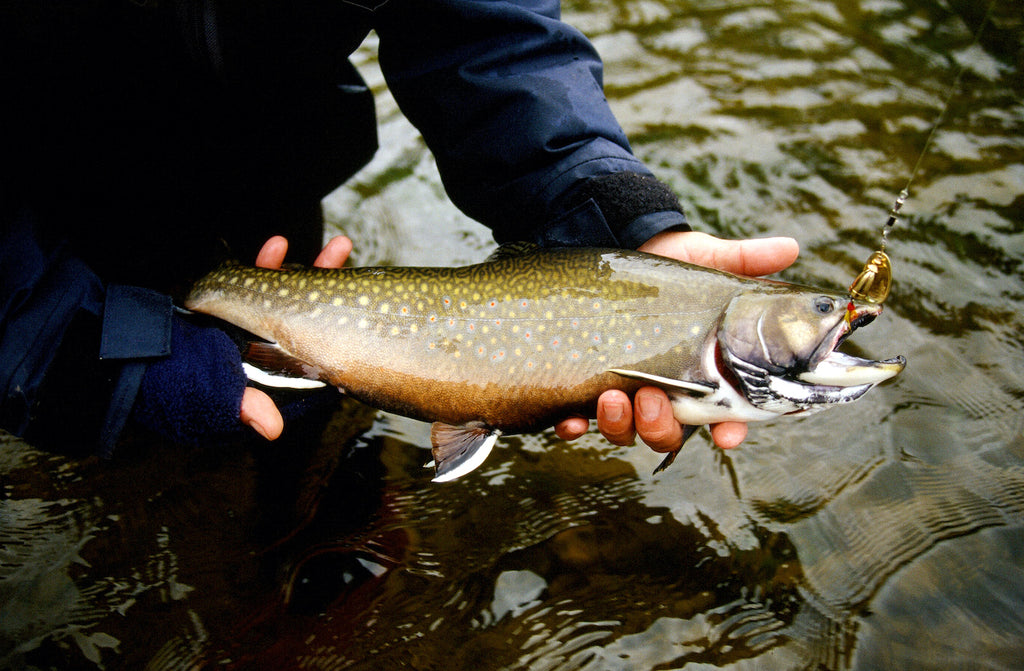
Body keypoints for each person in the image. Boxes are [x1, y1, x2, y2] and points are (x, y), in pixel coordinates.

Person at [0, 0, 797, 460]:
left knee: (294, 418)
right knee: (134, 411)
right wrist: (61, 355)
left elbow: (486, 26)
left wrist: (592, 198)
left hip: (252, 152)